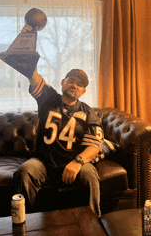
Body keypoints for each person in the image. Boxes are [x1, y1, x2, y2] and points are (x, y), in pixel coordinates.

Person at [13, 68, 104, 217]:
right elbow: (35, 79)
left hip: (72, 164)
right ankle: (27, 222)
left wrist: (78, 162)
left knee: (89, 174)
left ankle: (93, 223)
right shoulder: (49, 99)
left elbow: (95, 145)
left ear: (83, 91)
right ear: (63, 83)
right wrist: (28, 67)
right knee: (25, 171)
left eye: (80, 84)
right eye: (71, 81)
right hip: (43, 162)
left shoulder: (88, 112)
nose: (74, 85)